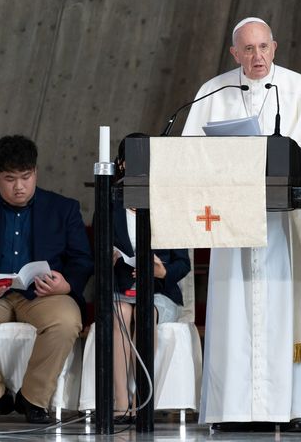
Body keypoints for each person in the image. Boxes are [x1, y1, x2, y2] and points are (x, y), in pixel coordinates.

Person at [181, 17, 301, 428]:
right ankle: (235, 409)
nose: (257, 57)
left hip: (291, 223)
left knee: (291, 308)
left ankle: (298, 408)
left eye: (263, 48)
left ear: (275, 47)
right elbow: (192, 154)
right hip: (235, 219)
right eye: (248, 50)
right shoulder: (212, 92)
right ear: (234, 53)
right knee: (236, 309)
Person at [0, 135, 93, 424]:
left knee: (65, 321)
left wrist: (67, 284)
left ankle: (33, 399)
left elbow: (82, 259)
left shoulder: (64, 208)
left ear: (35, 172)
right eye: (10, 179)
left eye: (26, 177)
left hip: (44, 295)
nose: (19, 186)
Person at [109, 134, 191, 424]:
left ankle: (139, 396)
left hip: (158, 292)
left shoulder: (170, 205)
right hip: (121, 287)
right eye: (135, 161)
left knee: (145, 312)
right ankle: (121, 401)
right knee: (120, 313)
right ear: (121, 164)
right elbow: (95, 253)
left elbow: (183, 263)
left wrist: (161, 271)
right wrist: (110, 257)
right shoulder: (110, 204)